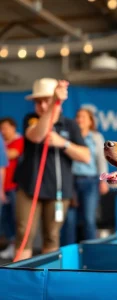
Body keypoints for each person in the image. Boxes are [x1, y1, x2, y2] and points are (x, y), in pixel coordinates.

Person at [15, 78, 90, 261]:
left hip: (58, 191)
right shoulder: (31, 119)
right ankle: (18, 279)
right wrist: (51, 108)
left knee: (52, 235)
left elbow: (85, 156)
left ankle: (45, 279)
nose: (41, 105)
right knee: (24, 234)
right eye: (37, 101)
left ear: (57, 100)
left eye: (46, 100)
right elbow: (37, 136)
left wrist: (63, 143)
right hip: (29, 188)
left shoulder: (70, 125)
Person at [61, 108, 109, 244]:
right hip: (71, 182)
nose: (79, 119)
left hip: (90, 181)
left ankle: (91, 252)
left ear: (90, 122)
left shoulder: (96, 137)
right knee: (69, 220)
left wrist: (103, 181)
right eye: (77, 116)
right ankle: (67, 255)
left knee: (89, 219)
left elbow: (101, 159)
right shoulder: (68, 136)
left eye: (83, 117)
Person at [0, 117, 24, 259]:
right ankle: (10, 245)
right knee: (5, 219)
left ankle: (18, 248)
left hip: (15, 187)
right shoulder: (3, 142)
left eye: (6, 128)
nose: (3, 131)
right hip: (2, 187)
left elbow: (12, 154)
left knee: (17, 218)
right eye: (1, 128)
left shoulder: (19, 140)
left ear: (13, 127)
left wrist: (2, 150)